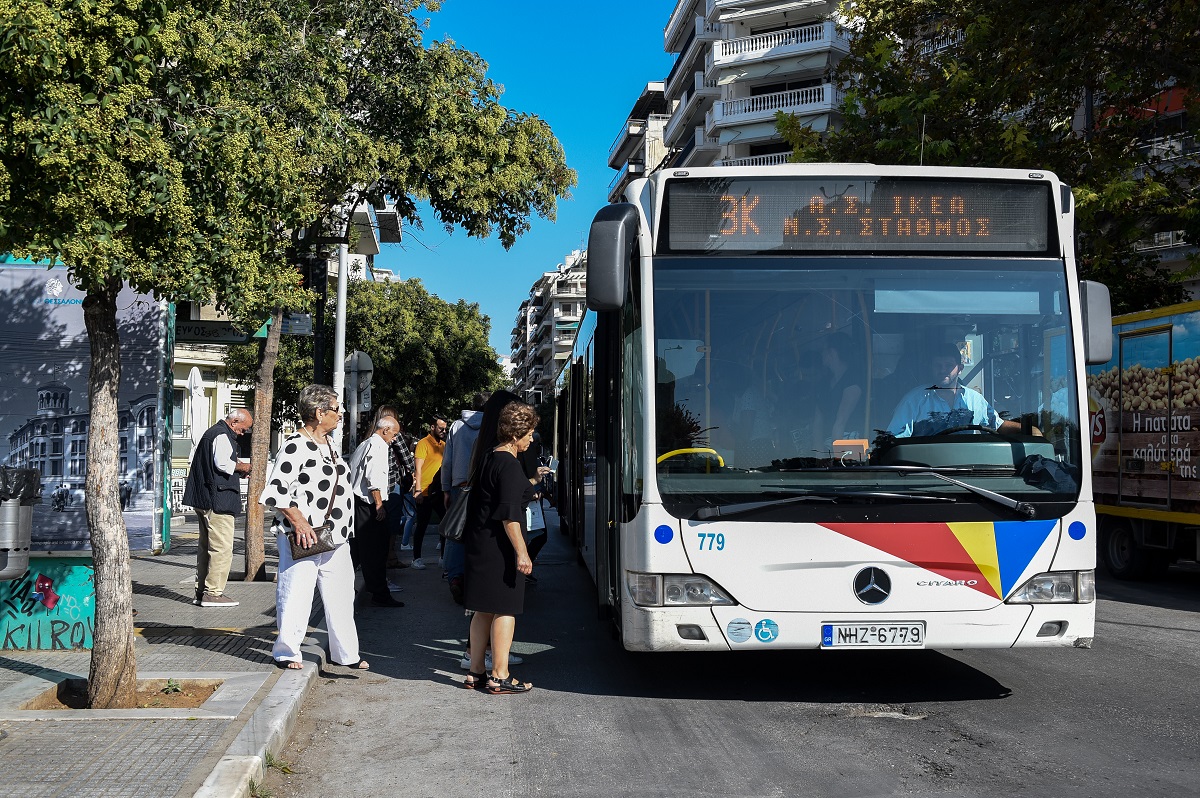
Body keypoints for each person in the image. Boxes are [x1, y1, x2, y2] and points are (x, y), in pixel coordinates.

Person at [260, 384, 367, 671]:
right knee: (296, 592)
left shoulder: (330, 444)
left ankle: (346, 654)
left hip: (335, 534)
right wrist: (300, 522)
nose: (341, 414)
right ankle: (287, 651)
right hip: (304, 535)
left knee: (343, 594)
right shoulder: (295, 444)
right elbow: (275, 491)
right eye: (336, 409)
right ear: (319, 413)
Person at [463, 400, 548, 694]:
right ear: (516, 434)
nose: (531, 438)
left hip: (480, 544)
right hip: (500, 549)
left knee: (483, 610)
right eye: (529, 433)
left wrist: (531, 483)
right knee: (505, 609)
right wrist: (522, 553)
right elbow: (510, 516)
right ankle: (500, 674)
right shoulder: (510, 465)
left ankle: (475, 671)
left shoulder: (490, 457)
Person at [183, 408, 253, 608]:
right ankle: (213, 593)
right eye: (243, 429)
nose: (243, 433)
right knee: (221, 548)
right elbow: (223, 464)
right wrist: (244, 467)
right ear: (234, 422)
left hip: (205, 498)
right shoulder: (222, 435)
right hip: (218, 500)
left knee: (206, 548)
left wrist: (235, 467)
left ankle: (202, 591)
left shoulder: (213, 433)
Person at [887, 344, 1034, 438]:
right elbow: (894, 439)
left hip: (967, 472)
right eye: (938, 365)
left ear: (960, 369)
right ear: (931, 368)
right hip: (926, 472)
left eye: (948, 365)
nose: (943, 370)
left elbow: (998, 425)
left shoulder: (975, 400)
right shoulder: (913, 401)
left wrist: (1029, 431)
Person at [348, 416, 404, 607]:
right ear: (385, 430)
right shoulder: (378, 446)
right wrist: (379, 504)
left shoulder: (365, 444)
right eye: (394, 434)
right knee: (375, 551)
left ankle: (351, 587)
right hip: (369, 504)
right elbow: (373, 477)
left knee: (358, 550)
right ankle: (380, 593)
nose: (395, 439)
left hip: (358, 504)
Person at [441, 393, 489, 604]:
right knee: (483, 531)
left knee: (456, 531)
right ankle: (479, 577)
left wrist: (445, 488)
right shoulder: (493, 425)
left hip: (459, 486)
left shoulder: (456, 426)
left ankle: (455, 577)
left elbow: (447, 461)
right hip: (485, 486)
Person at [374, 406, 416, 570]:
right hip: (391, 482)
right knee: (392, 522)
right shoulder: (392, 433)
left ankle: (385, 557)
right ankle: (390, 556)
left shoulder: (371, 434)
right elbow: (407, 458)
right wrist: (410, 470)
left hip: (376, 485)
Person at [410, 415, 448, 569]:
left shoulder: (444, 445)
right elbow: (417, 469)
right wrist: (418, 490)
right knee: (422, 525)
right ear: (432, 427)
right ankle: (416, 558)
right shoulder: (423, 443)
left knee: (445, 523)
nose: (443, 431)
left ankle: (443, 557)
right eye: (441, 428)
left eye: (445, 428)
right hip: (424, 491)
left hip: (438, 491)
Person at [818, 332, 866, 448]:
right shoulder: (825, 382)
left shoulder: (852, 382)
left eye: (823, 350)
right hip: (828, 443)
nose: (821, 354)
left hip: (847, 443)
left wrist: (837, 459)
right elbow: (818, 419)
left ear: (832, 352)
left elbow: (841, 422)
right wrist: (817, 451)